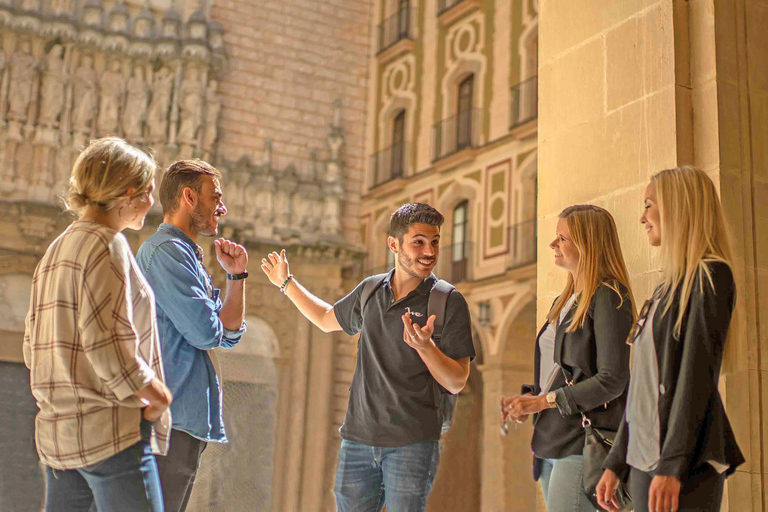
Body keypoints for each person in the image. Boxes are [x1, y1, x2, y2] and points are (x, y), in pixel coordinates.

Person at [261, 203, 475, 511]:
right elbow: (325, 318)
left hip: (413, 444)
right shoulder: (370, 290)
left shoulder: (447, 301)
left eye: (435, 241)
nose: (429, 251)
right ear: (393, 244)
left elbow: (456, 381)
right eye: (419, 242)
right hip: (357, 443)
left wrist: (426, 348)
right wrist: (286, 283)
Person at [23, 137, 172, 512]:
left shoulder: (57, 249)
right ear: (127, 192)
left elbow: (31, 348)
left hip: (60, 443)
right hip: (110, 438)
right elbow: (107, 346)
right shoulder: (107, 245)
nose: (152, 203)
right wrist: (157, 397)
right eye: (148, 191)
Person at [596, 167, 745, 512]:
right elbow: (643, 389)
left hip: (682, 460)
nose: (641, 217)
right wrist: (616, 461)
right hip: (648, 457)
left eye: (649, 205)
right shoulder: (666, 288)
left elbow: (696, 378)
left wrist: (673, 464)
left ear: (678, 206)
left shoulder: (711, 275)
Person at [501, 204, 636, 512]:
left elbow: (612, 379)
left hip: (582, 442)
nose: (553, 244)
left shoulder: (609, 296)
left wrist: (543, 402)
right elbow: (560, 372)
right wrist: (528, 400)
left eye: (562, 238)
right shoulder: (566, 299)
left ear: (587, 245)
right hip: (550, 438)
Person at [136, 159, 248, 512]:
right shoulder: (166, 253)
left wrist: (237, 277)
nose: (222, 207)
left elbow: (228, 335)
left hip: (185, 423)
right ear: (189, 197)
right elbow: (206, 331)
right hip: (170, 422)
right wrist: (215, 322)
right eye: (214, 197)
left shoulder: (188, 256)